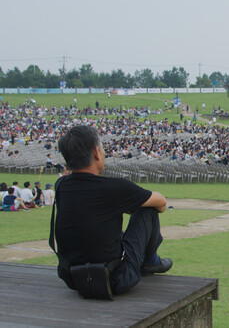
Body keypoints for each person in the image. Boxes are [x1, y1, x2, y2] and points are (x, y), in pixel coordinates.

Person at [53, 125, 172, 297]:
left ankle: (149, 260)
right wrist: (132, 204)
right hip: (114, 279)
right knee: (148, 210)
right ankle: (150, 261)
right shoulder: (115, 188)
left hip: (74, 278)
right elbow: (161, 202)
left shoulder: (61, 186)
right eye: (101, 148)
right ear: (96, 152)